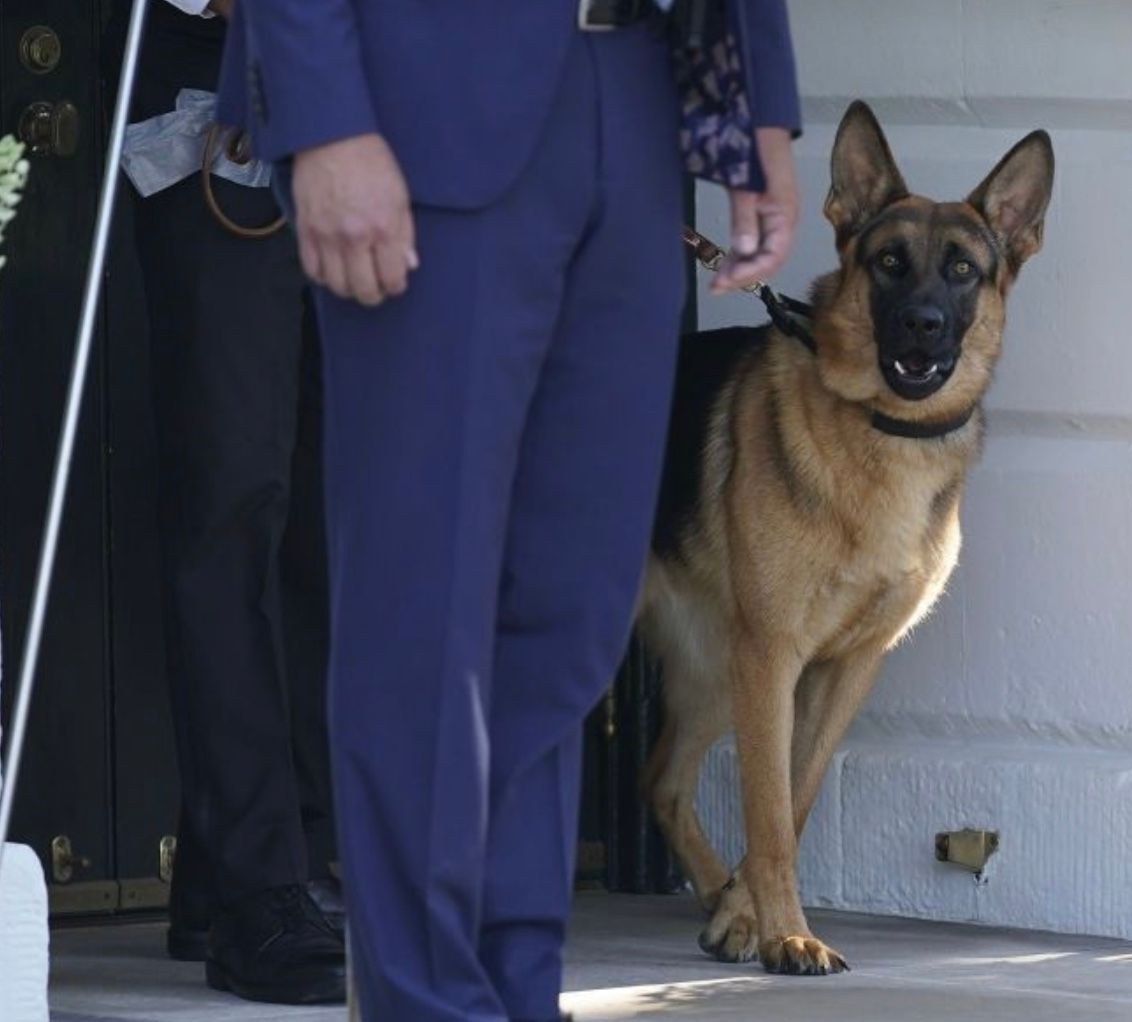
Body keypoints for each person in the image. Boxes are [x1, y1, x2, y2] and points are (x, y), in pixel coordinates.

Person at [218, 1, 801, 1018]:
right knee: (424, 607)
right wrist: (321, 114)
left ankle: (515, 991)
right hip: (418, 95)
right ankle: (426, 1001)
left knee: (574, 606)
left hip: (640, 83)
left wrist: (756, 98)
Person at [124, 0, 345, 1004]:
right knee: (234, 497)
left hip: (374, 95)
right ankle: (260, 882)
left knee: (326, 509)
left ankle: (245, 858)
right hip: (222, 75)